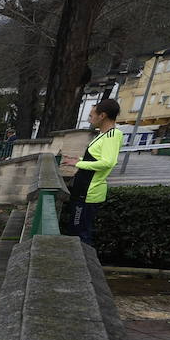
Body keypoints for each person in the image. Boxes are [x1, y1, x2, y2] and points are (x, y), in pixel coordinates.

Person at [60, 98, 122, 246]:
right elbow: (96, 158)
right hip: (83, 190)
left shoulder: (112, 135)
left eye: (92, 115)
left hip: (88, 193)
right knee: (76, 230)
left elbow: (108, 162)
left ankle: (81, 265)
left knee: (80, 234)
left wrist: (79, 163)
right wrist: (78, 159)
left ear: (102, 116)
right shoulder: (104, 134)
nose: (90, 119)